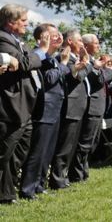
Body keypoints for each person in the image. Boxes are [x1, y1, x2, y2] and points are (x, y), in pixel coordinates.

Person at [0, 4, 49, 204]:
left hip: (27, 107)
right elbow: (26, 63)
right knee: (4, 153)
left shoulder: (19, 41)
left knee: (18, 154)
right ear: (11, 22)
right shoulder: (2, 39)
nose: (27, 24)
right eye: (23, 21)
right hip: (11, 107)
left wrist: (33, 56)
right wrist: (42, 51)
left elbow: (26, 60)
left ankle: (7, 193)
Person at [18, 24, 63, 200]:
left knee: (47, 150)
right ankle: (27, 188)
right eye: (53, 35)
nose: (58, 37)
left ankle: (39, 184)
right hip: (43, 108)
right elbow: (50, 79)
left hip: (55, 109)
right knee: (37, 151)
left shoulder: (52, 58)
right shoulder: (39, 56)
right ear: (42, 38)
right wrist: (64, 65)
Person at [49, 29, 91, 190]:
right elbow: (78, 77)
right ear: (70, 42)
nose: (82, 44)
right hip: (70, 106)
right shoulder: (63, 57)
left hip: (78, 106)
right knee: (64, 145)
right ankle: (57, 178)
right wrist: (87, 64)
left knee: (72, 145)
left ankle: (64, 176)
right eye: (79, 40)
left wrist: (84, 62)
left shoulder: (76, 58)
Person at [69, 34, 112, 183]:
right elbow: (100, 79)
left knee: (92, 143)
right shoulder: (87, 63)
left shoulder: (94, 62)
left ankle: (83, 171)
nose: (99, 46)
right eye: (96, 43)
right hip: (90, 105)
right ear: (86, 46)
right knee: (84, 142)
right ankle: (76, 174)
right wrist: (111, 69)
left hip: (97, 106)